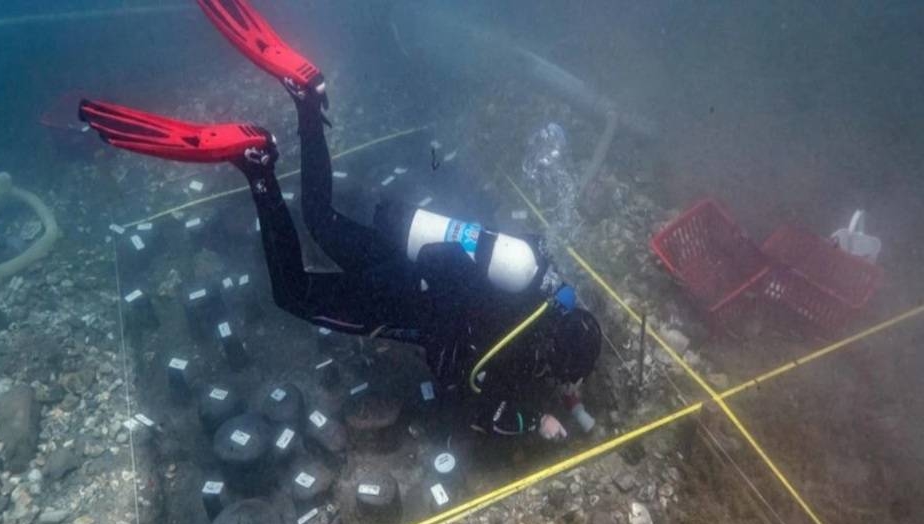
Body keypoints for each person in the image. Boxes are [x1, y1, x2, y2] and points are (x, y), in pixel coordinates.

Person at [79, 0, 602, 441]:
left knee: (322, 218)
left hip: (408, 252)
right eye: (561, 371)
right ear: (552, 350)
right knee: (293, 293)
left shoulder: (538, 284)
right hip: (398, 298)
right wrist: (536, 422)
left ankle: (308, 103)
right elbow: (467, 398)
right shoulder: (514, 340)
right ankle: (259, 167)